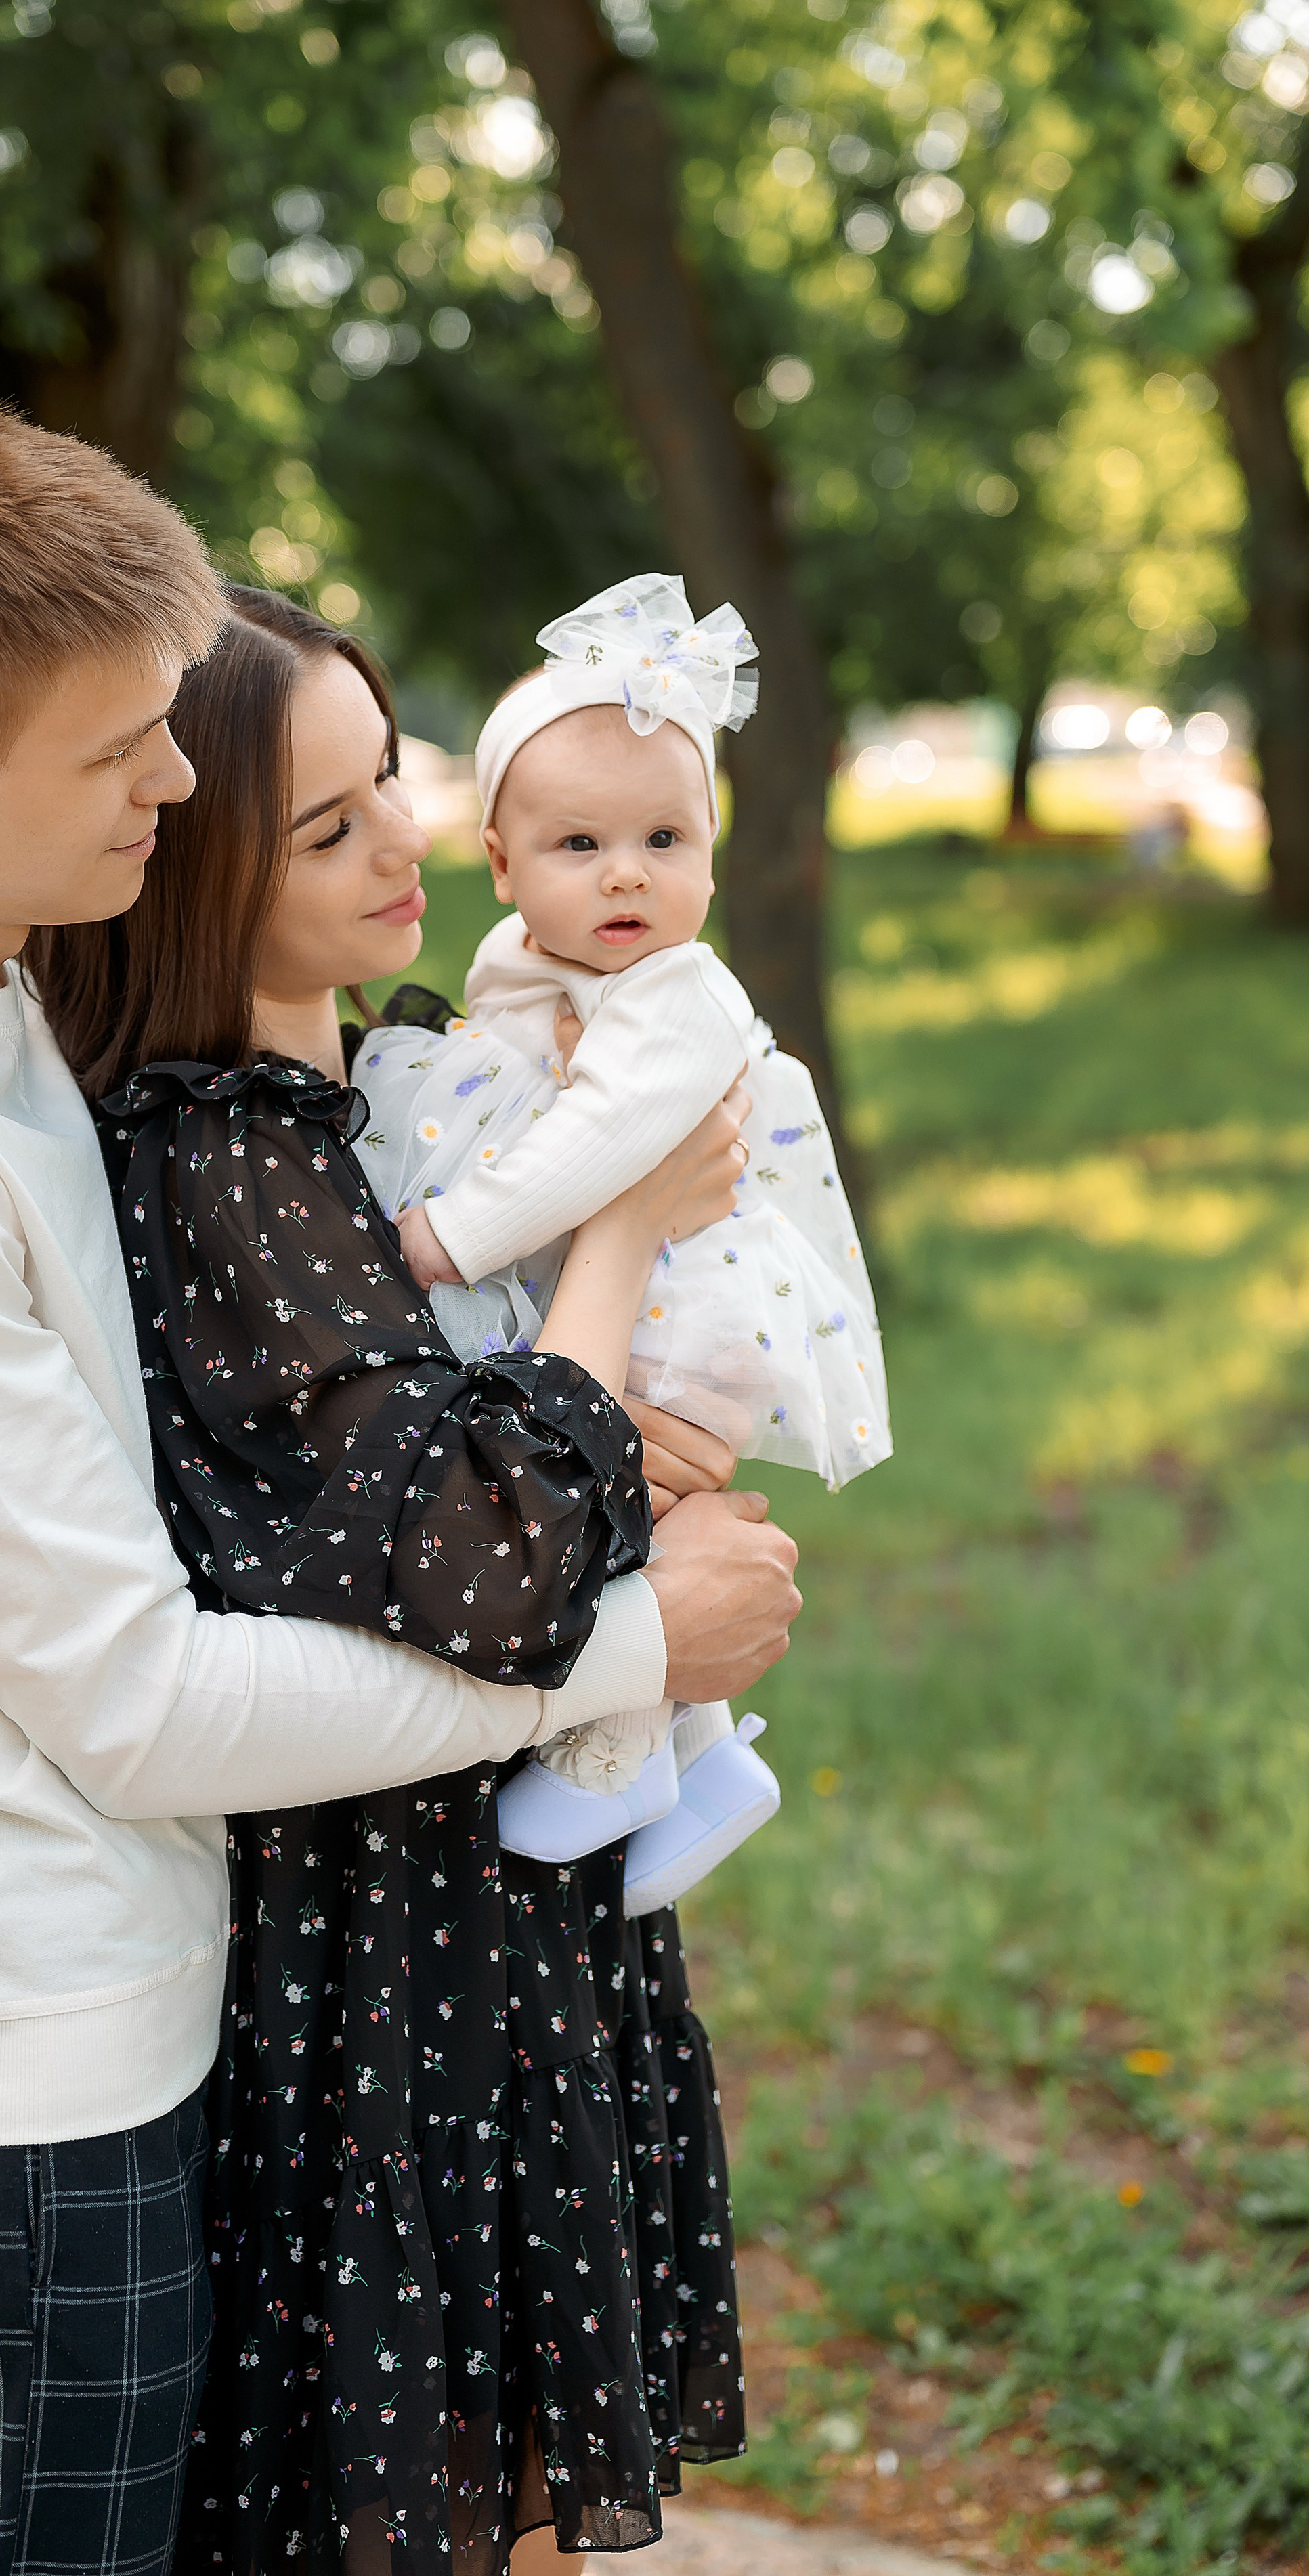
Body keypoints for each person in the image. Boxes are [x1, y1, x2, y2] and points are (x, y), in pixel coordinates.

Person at [0, 399, 802, 2576]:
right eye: (121, 751)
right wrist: (631, 1637)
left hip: (113, 2016)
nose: (174, 783)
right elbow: (140, 1699)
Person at [27, 586, 772, 2573]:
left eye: (397, 789)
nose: (409, 850)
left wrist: (637, 1442)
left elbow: (537, 1453)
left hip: (488, 1891)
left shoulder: (378, 1087)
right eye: (330, 826)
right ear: (182, 863)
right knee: (445, 2494)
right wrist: (618, 1240)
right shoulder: (228, 1155)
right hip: (400, 1939)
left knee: (497, 2472)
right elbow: (499, 1553)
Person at [358, 575, 886, 1912]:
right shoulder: (547, 974)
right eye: (578, 844)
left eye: (663, 836)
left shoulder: (671, 997)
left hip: (687, 1302)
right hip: (647, 1279)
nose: (626, 873)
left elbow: (598, 1147)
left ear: (712, 851)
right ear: (500, 864)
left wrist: (448, 1234)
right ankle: (706, 1762)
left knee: (623, 1505)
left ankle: (613, 1751)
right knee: (636, 1505)